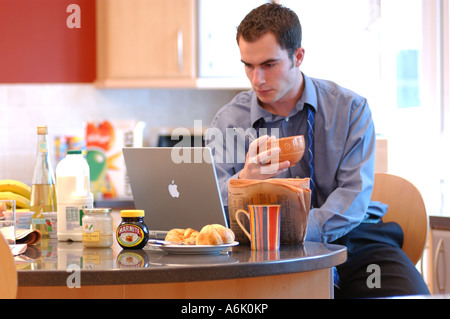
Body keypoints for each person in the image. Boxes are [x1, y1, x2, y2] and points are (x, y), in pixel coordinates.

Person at [206, 3, 429, 298]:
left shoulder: (350, 109)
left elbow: (353, 195)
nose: (256, 79)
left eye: (269, 65)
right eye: (248, 65)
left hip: (357, 244)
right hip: (265, 254)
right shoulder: (228, 120)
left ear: (298, 57)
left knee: (398, 295)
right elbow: (210, 204)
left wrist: (298, 232)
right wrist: (244, 179)